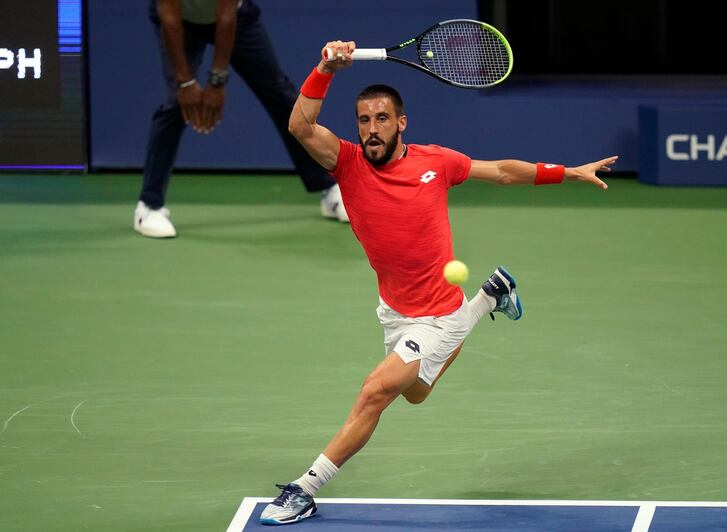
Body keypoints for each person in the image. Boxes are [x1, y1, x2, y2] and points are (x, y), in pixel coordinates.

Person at [259, 40, 618, 526]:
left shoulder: (436, 162)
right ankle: (491, 295)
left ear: (401, 122)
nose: (371, 129)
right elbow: (300, 126)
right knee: (415, 394)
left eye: (382, 119)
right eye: (364, 120)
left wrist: (568, 173)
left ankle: (304, 488)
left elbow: (503, 173)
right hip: (394, 310)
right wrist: (324, 68)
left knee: (374, 393)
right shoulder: (346, 162)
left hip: (438, 315)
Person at [134, 0, 348, 239]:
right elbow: (169, 18)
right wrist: (184, 83)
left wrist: (217, 82)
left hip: (236, 17)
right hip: (179, 22)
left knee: (280, 95)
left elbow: (226, 17)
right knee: (175, 103)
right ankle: (149, 206)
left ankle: (328, 189)